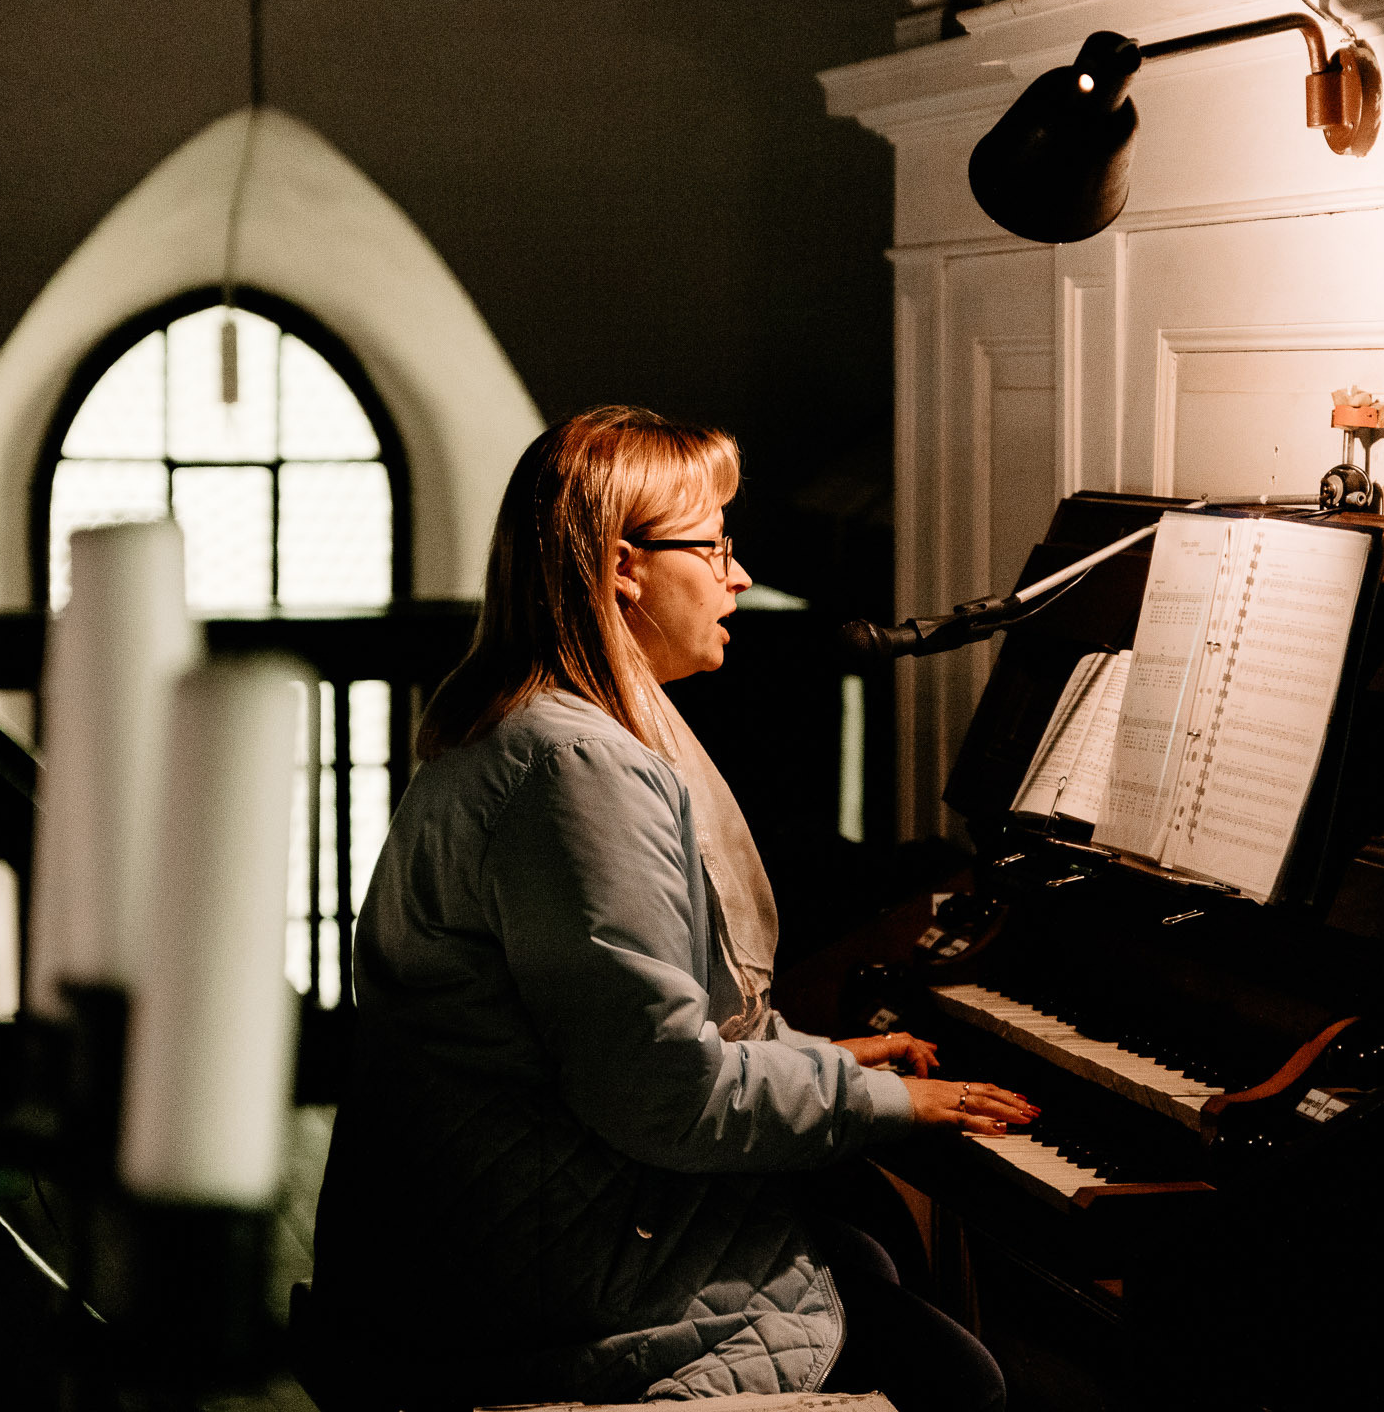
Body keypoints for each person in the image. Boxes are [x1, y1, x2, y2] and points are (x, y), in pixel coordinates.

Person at [306, 406, 1033, 1411]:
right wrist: (880, 1100)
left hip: (531, 1215)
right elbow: (660, 1091)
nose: (738, 575)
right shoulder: (571, 764)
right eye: (716, 546)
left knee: (865, 1239)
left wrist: (831, 1062)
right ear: (620, 567)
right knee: (960, 1378)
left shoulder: (553, 729)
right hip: (530, 1282)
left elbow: (638, 1030)